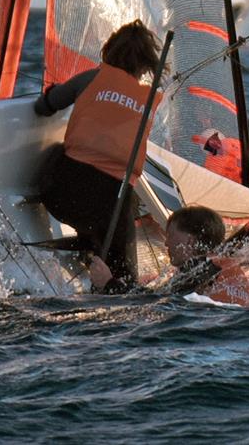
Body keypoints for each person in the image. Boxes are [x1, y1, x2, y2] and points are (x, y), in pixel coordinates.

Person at [34, 19, 163, 293]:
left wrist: (50, 95)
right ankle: (96, 254)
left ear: (109, 51)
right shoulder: (149, 99)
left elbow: (46, 106)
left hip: (61, 194)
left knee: (59, 151)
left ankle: (89, 243)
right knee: (126, 283)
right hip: (113, 206)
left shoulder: (93, 77)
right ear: (146, 65)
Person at [89, 206, 249, 305]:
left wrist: (108, 283)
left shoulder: (201, 266)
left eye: (171, 236)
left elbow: (155, 300)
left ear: (189, 240)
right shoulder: (224, 266)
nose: (166, 243)